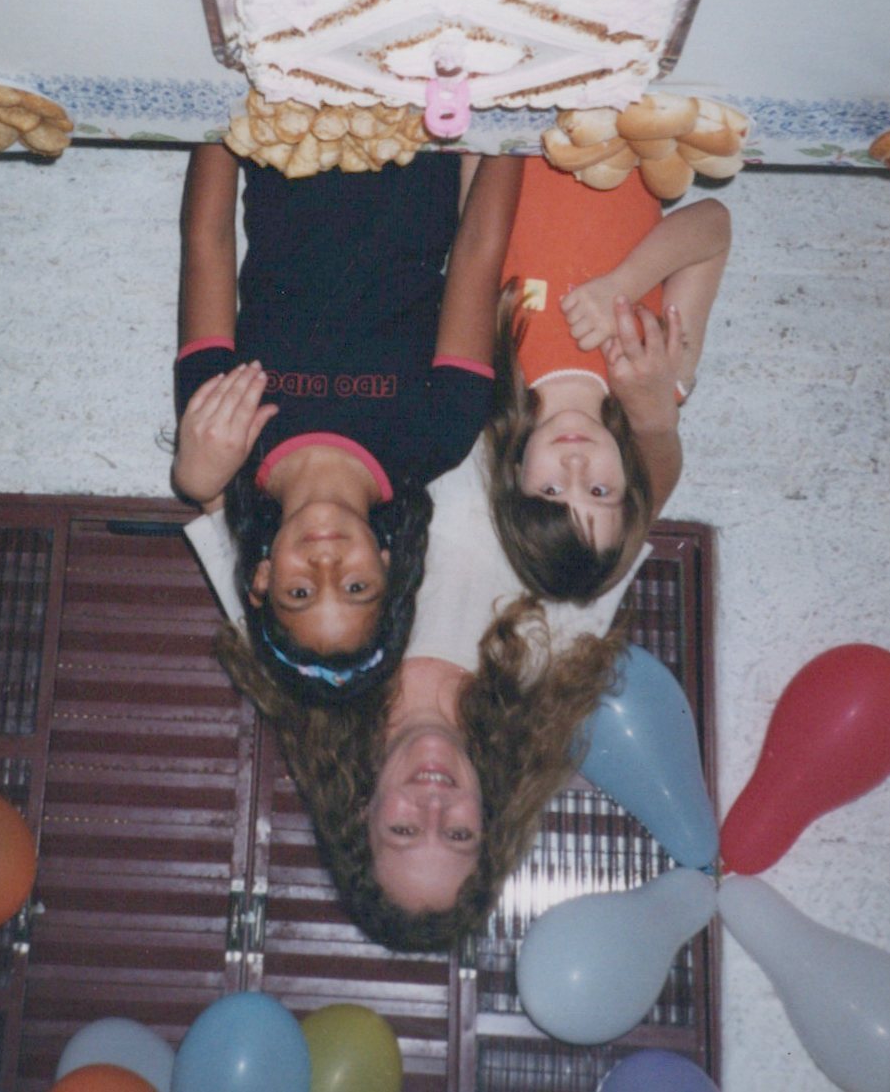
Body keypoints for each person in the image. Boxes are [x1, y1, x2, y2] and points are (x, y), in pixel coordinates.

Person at [199, 291, 678, 949]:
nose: (433, 803)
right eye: (457, 832)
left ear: (361, 817)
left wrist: (202, 459)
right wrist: (654, 416)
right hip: (531, 308)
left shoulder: (303, 658)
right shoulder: (547, 666)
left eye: (403, 830)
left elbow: (214, 489)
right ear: (488, 822)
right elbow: (633, 509)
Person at [173, 143, 521, 703]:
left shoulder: (224, 440)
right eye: (356, 587)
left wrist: (216, 115)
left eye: (300, 591)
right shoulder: (439, 435)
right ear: (389, 569)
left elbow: (207, 242)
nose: (326, 564)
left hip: (285, 131)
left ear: (262, 579)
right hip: (421, 137)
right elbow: (479, 249)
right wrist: (509, 127)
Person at [485, 158, 731, 602]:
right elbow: (714, 225)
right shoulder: (658, 372)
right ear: (629, 481)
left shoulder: (491, 373)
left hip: (512, 130)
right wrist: (624, 284)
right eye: (599, 491)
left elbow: (475, 213)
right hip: (619, 132)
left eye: (551, 490)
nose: (575, 465)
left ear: (517, 479)